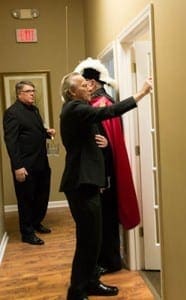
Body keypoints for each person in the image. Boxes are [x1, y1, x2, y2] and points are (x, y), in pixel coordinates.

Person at [59, 71, 152, 300]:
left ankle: (91, 282)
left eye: (89, 82)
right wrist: (140, 93)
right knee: (88, 240)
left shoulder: (80, 111)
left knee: (94, 239)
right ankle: (77, 291)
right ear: (72, 92)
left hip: (88, 183)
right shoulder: (74, 108)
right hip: (80, 185)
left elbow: (89, 134)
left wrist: (102, 141)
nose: (89, 86)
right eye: (83, 84)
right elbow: (108, 111)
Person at [74, 57, 141, 275]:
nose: (85, 88)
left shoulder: (104, 103)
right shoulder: (92, 105)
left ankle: (110, 260)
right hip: (99, 171)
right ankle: (104, 258)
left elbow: (111, 138)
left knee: (106, 219)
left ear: (92, 83)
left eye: (84, 84)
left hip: (106, 173)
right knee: (100, 220)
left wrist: (108, 144)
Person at [3, 80, 56, 245]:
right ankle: (27, 233)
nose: (33, 93)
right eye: (28, 91)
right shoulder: (12, 113)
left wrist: (47, 133)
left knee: (41, 196)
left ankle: (35, 223)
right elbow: (11, 142)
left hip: (41, 162)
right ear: (19, 94)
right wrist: (17, 167)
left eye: (33, 90)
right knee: (26, 199)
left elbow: (34, 131)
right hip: (24, 165)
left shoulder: (34, 110)